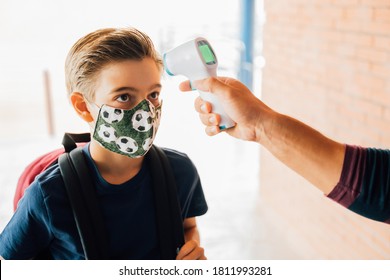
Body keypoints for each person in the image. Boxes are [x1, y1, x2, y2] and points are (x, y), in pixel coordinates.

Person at [0, 27, 208, 260]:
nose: (146, 112)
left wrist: (191, 250)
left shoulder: (180, 171)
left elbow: (188, 226)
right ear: (82, 106)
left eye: (153, 95)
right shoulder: (49, 194)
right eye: (124, 97)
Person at [179, 77, 390, 224]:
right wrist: (258, 124)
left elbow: (377, 189)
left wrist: (260, 125)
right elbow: (378, 187)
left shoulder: (180, 169)